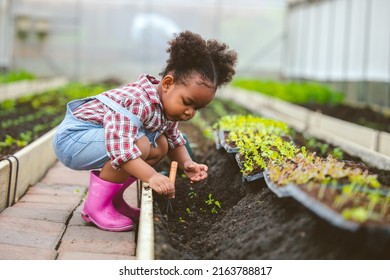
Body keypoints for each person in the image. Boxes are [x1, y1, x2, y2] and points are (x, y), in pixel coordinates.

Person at [53, 30, 237, 232]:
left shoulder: (165, 108)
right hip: (72, 140)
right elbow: (121, 149)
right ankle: (96, 207)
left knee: (161, 145)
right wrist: (152, 176)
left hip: (96, 139)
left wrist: (187, 163)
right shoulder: (138, 101)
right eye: (188, 103)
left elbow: (175, 140)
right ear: (167, 84)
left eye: (197, 109)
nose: (190, 112)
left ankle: (113, 200)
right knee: (138, 144)